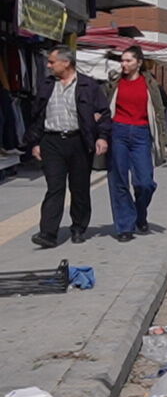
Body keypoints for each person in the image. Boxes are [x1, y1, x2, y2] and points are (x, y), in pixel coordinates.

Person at [24, 46, 111, 248]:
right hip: (51, 141)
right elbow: (37, 116)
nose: (48, 65)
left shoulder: (88, 86)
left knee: (79, 188)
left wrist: (102, 137)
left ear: (66, 63)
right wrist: (35, 143)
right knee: (55, 187)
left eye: (52, 62)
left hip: (79, 141)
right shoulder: (46, 85)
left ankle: (79, 227)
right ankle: (48, 233)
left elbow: (104, 114)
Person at [104, 46, 167, 242]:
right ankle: (125, 226)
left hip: (142, 133)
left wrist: (164, 140)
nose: (124, 64)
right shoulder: (114, 83)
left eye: (128, 61)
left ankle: (140, 212)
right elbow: (103, 104)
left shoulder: (149, 84)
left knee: (145, 183)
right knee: (119, 181)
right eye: (122, 61)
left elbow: (159, 112)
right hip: (118, 132)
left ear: (138, 63)